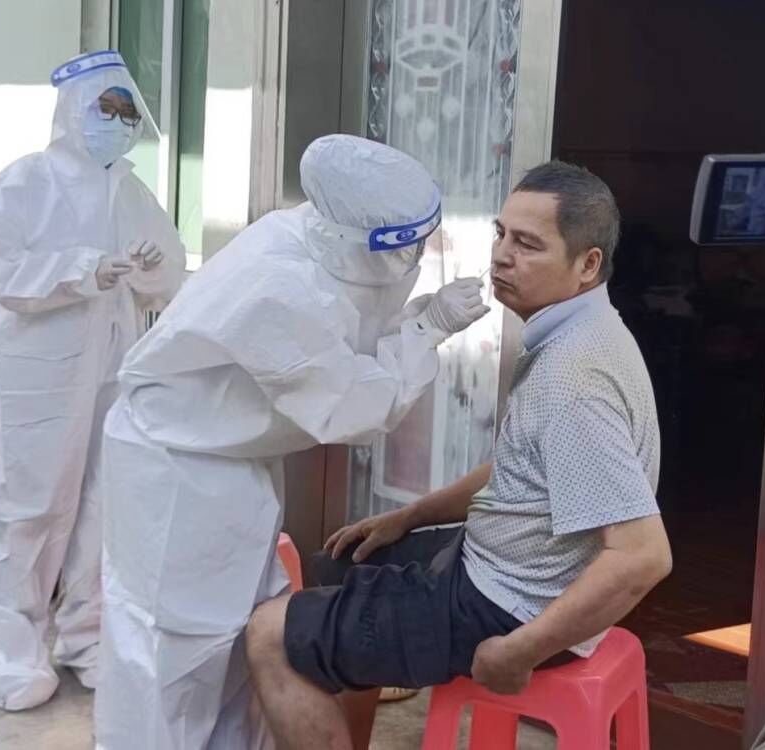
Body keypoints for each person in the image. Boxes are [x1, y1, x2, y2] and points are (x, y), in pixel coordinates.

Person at [245, 160, 673, 750]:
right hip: (496, 567)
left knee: (270, 634)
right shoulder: (582, 330)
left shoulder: (575, 377)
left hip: (507, 607)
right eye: (501, 234)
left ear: (587, 265)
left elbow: (643, 557)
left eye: (527, 244)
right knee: (346, 558)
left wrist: (521, 650)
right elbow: (529, 470)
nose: (501, 255)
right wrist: (410, 516)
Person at [93, 134, 489, 748]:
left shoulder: (326, 238)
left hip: (231, 464)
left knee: (237, 644)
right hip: (175, 475)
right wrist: (424, 330)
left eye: (419, 241)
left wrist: (415, 317)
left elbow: (349, 329)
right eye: (399, 246)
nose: (409, 259)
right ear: (346, 234)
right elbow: (349, 407)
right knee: (170, 653)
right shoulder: (277, 285)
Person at [0, 50, 185, 711]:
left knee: (104, 506)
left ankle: (87, 639)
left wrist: (144, 269)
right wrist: (83, 270)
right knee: (27, 511)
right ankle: (12, 653)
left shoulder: (131, 191)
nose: (115, 123)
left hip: (115, 370)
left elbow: (168, 272)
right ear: (72, 113)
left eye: (125, 112)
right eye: (104, 109)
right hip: (45, 376)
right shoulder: (26, 183)